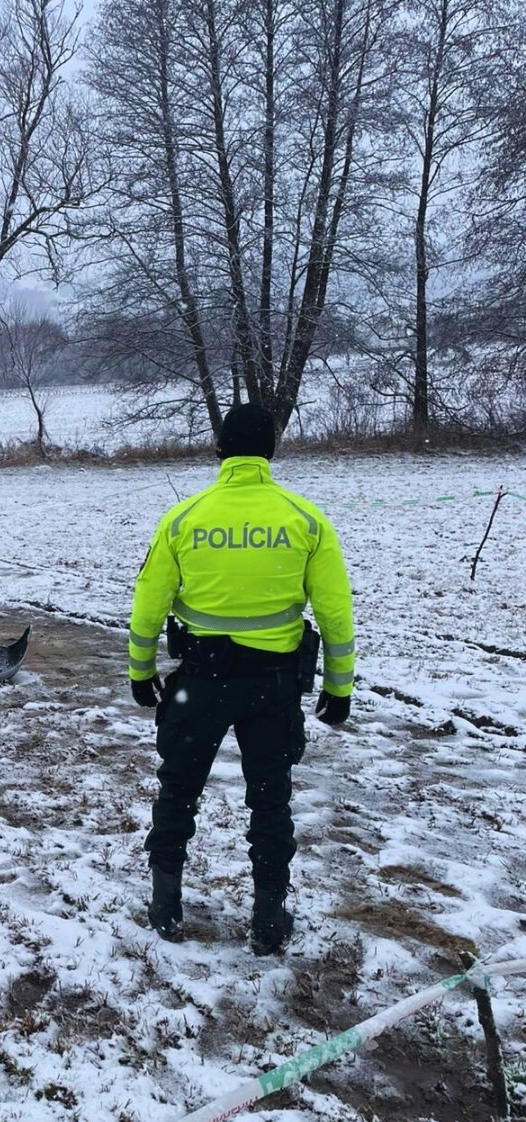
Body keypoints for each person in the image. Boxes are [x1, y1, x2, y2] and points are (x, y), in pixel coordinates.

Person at [127, 403, 355, 954]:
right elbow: (335, 611)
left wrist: (140, 670)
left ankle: (165, 904)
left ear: (221, 450)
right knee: (271, 799)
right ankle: (270, 918)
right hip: (273, 685)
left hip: (199, 681)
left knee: (178, 789)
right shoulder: (305, 519)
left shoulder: (184, 518)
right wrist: (339, 686)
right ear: (270, 452)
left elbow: (148, 604)